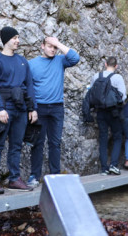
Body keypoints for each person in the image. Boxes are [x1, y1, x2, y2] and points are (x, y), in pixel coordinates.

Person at [0, 27, 38, 193]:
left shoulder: (23, 61)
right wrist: (0, 108)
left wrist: (32, 108)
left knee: (16, 145)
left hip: (21, 107)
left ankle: (14, 179)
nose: (17, 40)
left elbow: (29, 85)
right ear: (6, 40)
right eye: (14, 38)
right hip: (5, 107)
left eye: (18, 37)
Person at [27, 37, 80, 188]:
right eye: (49, 46)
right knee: (37, 143)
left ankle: (55, 175)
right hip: (40, 108)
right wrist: (32, 108)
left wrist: (58, 44)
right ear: (42, 46)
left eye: (54, 47)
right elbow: (28, 87)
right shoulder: (32, 64)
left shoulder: (60, 61)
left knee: (55, 143)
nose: (52, 49)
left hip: (57, 107)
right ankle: (34, 176)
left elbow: (75, 58)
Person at [85, 57, 126, 176]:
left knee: (102, 138)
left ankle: (104, 168)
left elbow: (91, 92)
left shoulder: (96, 76)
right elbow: (122, 96)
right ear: (116, 66)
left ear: (105, 64)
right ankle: (113, 165)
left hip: (100, 111)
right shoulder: (118, 78)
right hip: (114, 112)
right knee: (117, 136)